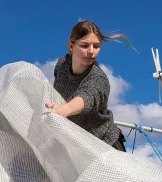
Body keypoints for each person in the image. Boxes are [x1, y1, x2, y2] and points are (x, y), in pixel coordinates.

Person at [45, 20, 135, 152]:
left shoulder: (98, 78)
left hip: (106, 145)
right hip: (77, 143)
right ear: (71, 47)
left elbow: (87, 96)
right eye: (85, 45)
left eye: (96, 46)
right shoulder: (62, 64)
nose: (91, 51)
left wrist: (64, 109)